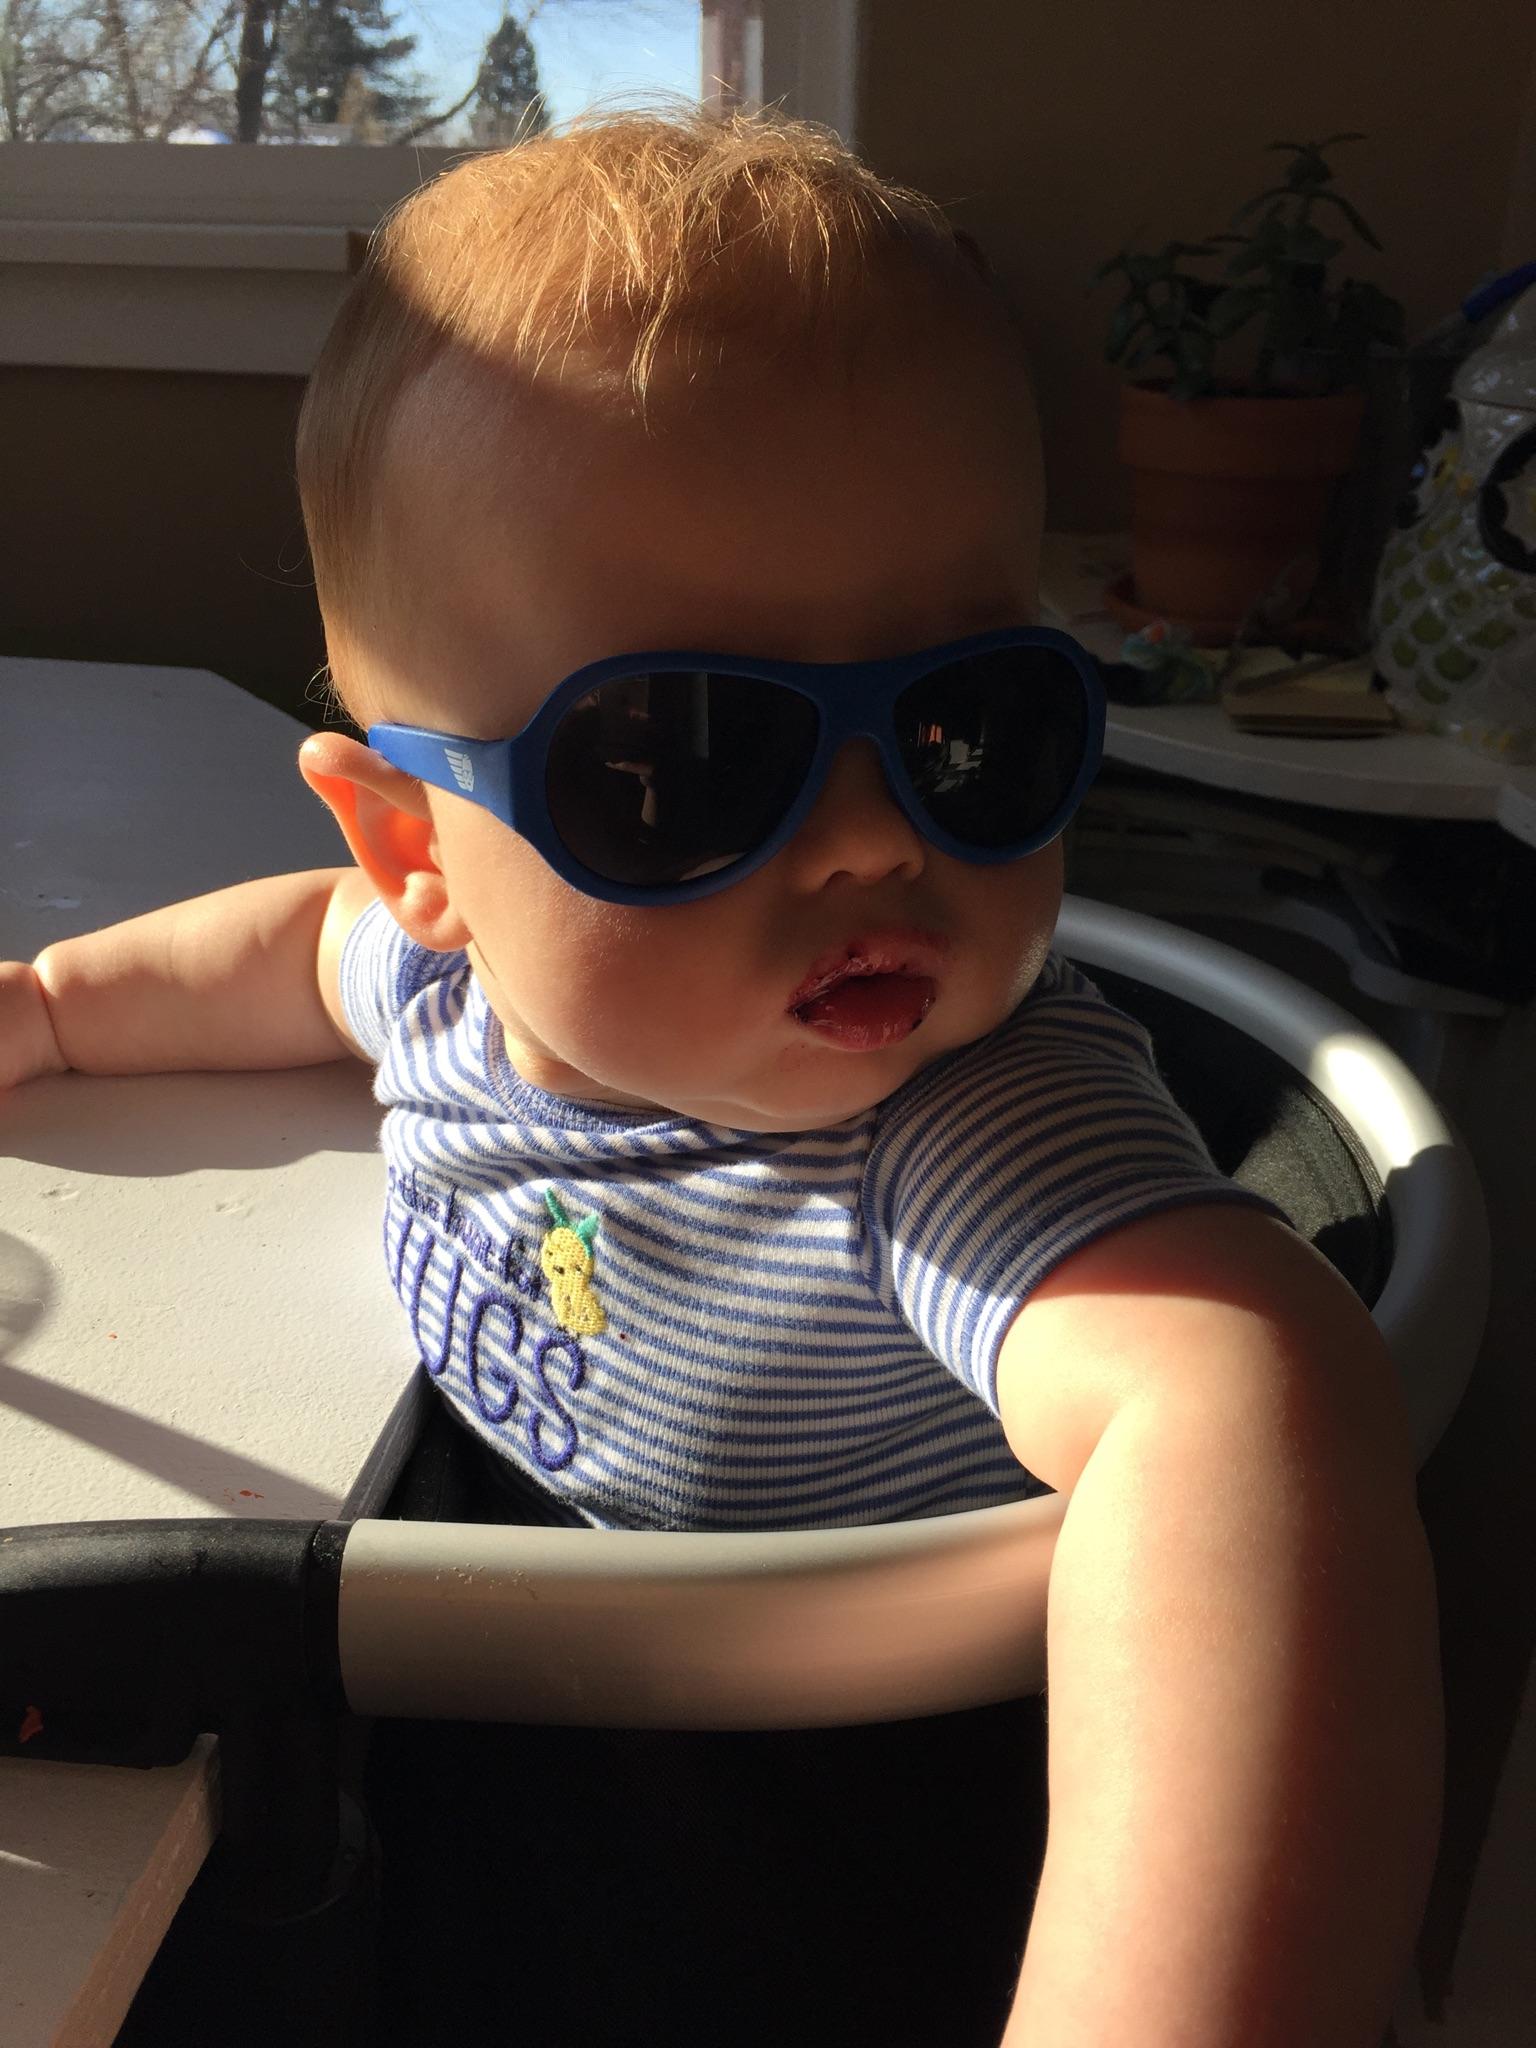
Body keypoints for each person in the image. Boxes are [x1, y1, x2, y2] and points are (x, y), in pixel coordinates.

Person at [0, 105, 1439, 2048]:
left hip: (811, 1839)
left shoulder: (957, 1131)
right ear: (423, 850)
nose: (870, 840)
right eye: (680, 758)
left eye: (965, 724)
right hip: (500, 1682)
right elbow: (290, 950)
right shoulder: (451, 975)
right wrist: (54, 1006)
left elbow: (1242, 1398)